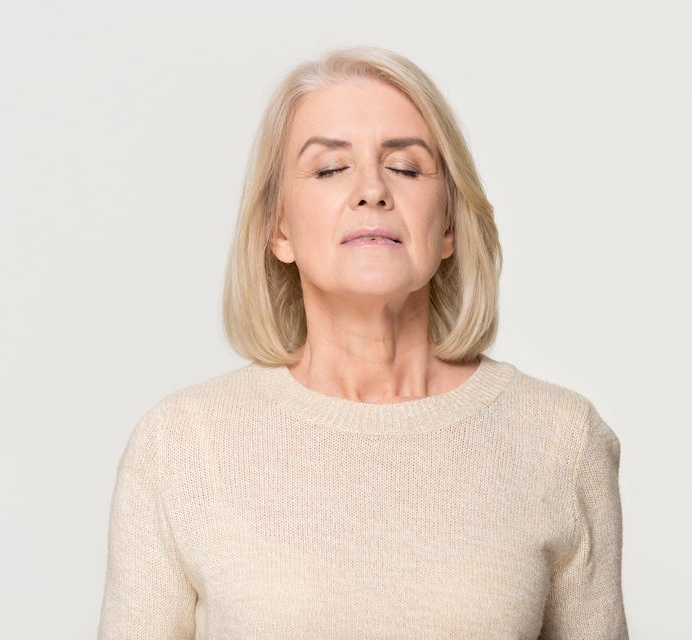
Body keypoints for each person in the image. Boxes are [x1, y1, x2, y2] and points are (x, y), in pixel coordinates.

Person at [97, 45, 628, 639]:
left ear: (448, 226)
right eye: (330, 169)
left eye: (406, 168)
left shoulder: (561, 439)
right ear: (278, 227)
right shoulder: (181, 445)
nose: (372, 190)